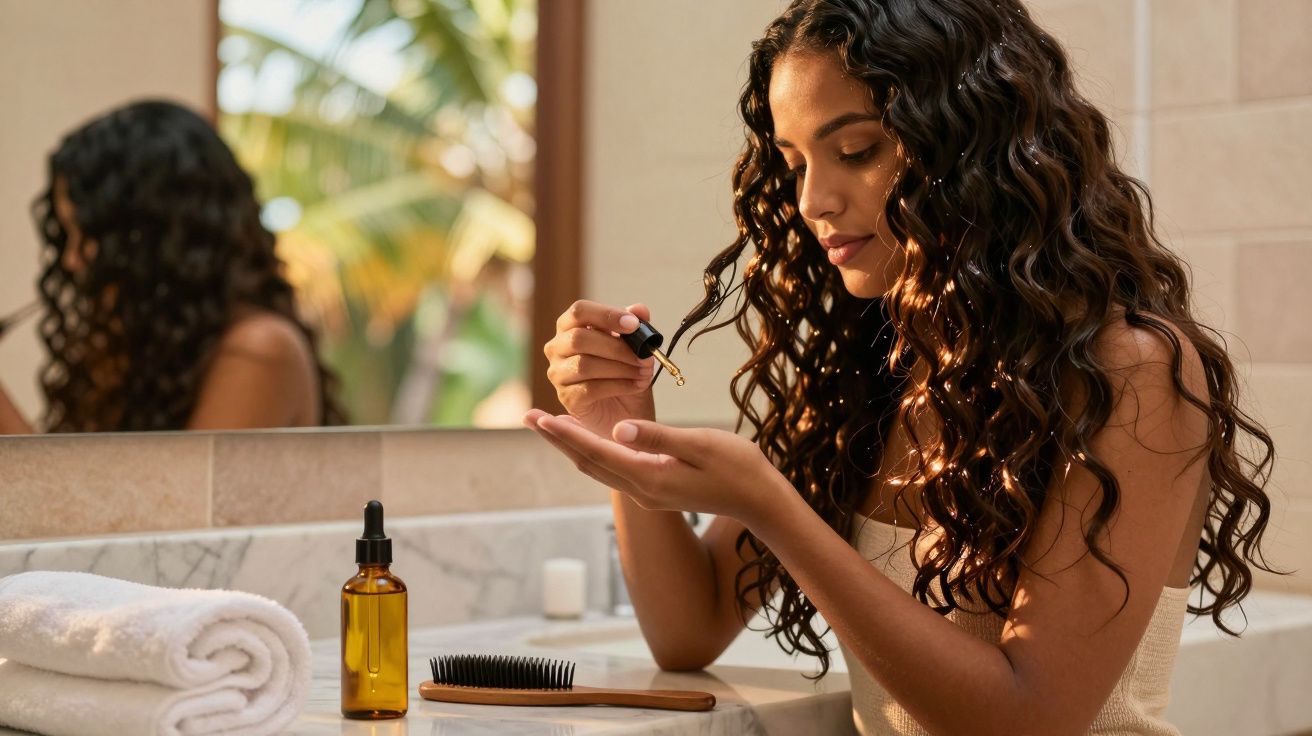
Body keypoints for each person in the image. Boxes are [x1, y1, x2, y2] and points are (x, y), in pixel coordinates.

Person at [525, 1, 1277, 733]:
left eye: (856, 151)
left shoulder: (1128, 370)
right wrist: (625, 427)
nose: (814, 200)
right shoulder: (876, 375)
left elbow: (1030, 721)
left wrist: (774, 507)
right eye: (794, 164)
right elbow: (688, 629)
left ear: (973, 143)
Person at [0, 100, 345, 434]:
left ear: (153, 234)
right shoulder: (151, 352)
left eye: (88, 235)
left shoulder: (260, 349)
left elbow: (176, 493)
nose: (72, 260)